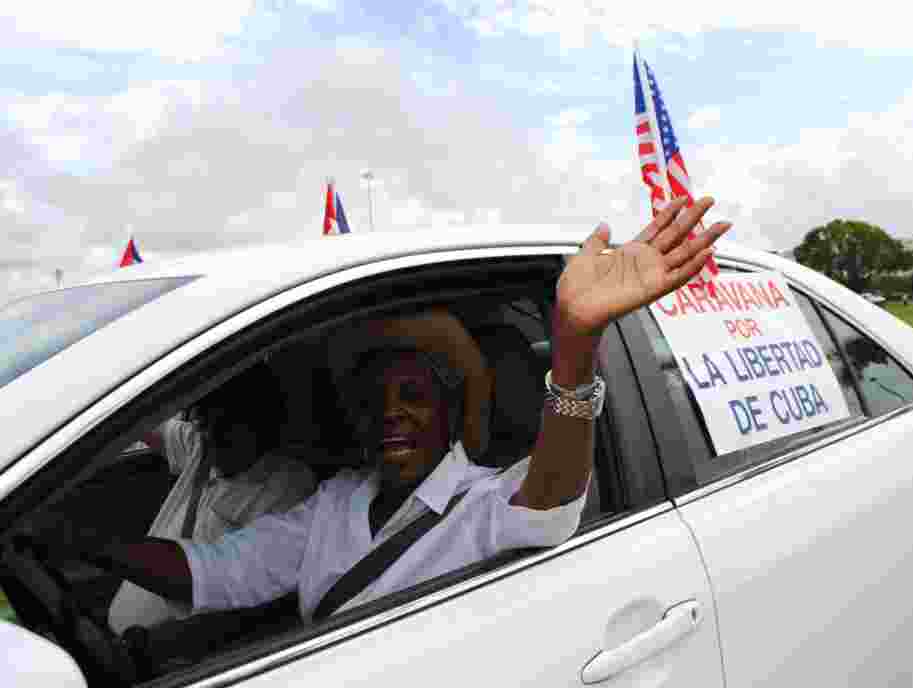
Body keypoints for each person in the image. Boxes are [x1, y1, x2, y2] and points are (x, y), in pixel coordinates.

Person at [62, 196, 730, 627]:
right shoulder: (334, 506)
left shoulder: (484, 502)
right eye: (375, 397)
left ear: (452, 409)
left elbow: (555, 492)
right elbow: (217, 571)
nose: (391, 413)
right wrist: (82, 546)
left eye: (412, 395)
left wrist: (576, 342)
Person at [105, 362, 317, 634]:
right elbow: (140, 421)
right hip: (118, 633)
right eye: (202, 422)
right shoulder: (200, 448)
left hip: (167, 654)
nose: (208, 436)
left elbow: (246, 599)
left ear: (260, 422)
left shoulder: (288, 489)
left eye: (224, 425)